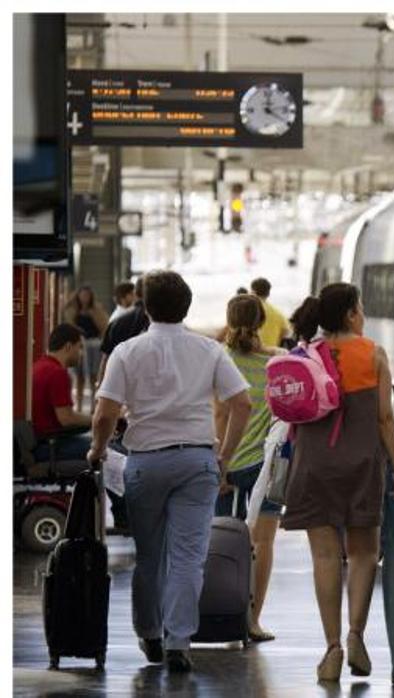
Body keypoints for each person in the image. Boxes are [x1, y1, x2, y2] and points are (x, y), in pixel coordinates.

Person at [87, 270, 253, 673]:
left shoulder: (127, 351)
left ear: (145, 306)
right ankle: (180, 640)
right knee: (187, 558)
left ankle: (150, 633)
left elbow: (106, 412)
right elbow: (242, 403)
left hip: (145, 462)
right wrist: (225, 455)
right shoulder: (209, 350)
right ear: (187, 307)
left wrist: (98, 449)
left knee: (149, 557)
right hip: (197, 462)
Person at [281, 282, 394, 682]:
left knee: (324, 558)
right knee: (362, 555)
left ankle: (332, 649)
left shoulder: (304, 355)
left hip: (313, 467)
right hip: (361, 467)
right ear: (352, 314)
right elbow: (384, 419)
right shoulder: (372, 353)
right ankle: (356, 635)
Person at [213, 294, 283, 643]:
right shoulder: (275, 364)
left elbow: (220, 415)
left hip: (224, 463)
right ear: (261, 321)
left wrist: (220, 463)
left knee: (218, 542)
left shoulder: (220, 361)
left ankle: (219, 611)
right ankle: (252, 621)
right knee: (263, 543)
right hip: (265, 466)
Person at [31, 324, 93, 460]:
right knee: (102, 447)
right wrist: (96, 420)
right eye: (80, 347)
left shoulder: (38, 366)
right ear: (68, 347)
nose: (81, 353)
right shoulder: (57, 373)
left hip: (36, 443)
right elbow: (67, 419)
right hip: (48, 446)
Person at [97, 276, 150, 396]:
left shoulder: (117, 322)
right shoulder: (162, 322)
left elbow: (106, 358)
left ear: (136, 293)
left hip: (120, 385)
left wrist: (101, 387)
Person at [62, 286, 108, 411]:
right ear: (78, 296)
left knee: (94, 375)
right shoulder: (72, 310)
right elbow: (69, 326)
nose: (85, 298)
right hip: (79, 346)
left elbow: (104, 327)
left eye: (87, 295)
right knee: (79, 376)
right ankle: (79, 405)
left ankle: (94, 405)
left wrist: (94, 316)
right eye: (82, 295)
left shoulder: (97, 310)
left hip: (94, 345)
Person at [251, 277, 292, 349]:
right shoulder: (278, 314)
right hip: (270, 356)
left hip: (249, 353)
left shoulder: (247, 309)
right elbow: (286, 331)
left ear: (252, 292)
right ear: (268, 294)